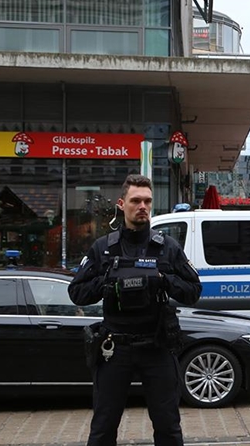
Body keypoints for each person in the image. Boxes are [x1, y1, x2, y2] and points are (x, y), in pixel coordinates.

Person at [69, 174, 202, 446]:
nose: (142, 206)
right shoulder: (103, 248)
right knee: (103, 426)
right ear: (121, 204)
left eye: (147, 201)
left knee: (168, 426)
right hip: (115, 349)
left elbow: (193, 291)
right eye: (136, 201)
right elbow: (77, 292)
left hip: (157, 346)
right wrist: (108, 282)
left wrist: (163, 280)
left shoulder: (167, 248)